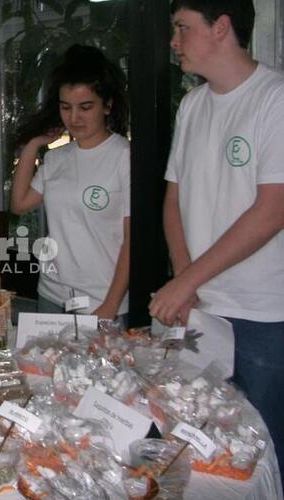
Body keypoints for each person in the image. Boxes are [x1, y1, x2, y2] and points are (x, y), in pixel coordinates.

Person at [150, 0, 284, 475]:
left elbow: (272, 210)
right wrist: (188, 282)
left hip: (262, 316)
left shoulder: (275, 98)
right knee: (204, 450)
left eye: (182, 28)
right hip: (203, 310)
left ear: (221, 27)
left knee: (264, 453)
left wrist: (186, 282)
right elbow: (174, 199)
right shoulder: (192, 104)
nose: (174, 41)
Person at [9, 45, 131, 323]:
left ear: (107, 105)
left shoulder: (124, 157)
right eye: (66, 108)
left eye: (85, 107)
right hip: (52, 295)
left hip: (102, 300)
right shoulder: (56, 158)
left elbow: (131, 241)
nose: (74, 118)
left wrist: (110, 306)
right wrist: (33, 144)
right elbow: (19, 204)